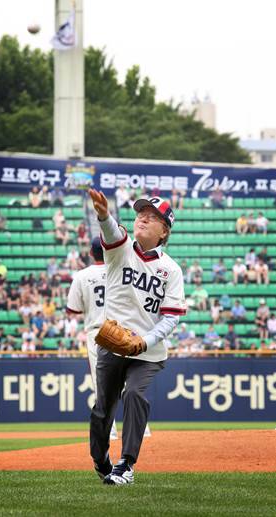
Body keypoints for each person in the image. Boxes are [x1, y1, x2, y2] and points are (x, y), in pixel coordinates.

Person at [88, 189, 186, 485]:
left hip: (149, 352)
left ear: (164, 230)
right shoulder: (120, 250)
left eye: (153, 215)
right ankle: (100, 458)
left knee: (134, 395)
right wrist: (104, 215)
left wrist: (146, 341)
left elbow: (170, 317)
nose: (144, 216)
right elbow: (111, 230)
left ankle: (126, 464)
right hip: (112, 346)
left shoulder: (171, 270)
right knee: (103, 409)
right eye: (141, 212)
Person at [66, 237, 121, 440]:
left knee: (102, 383)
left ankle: (111, 430)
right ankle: (142, 427)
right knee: (128, 381)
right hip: (120, 330)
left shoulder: (82, 275)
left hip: (97, 331)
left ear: (91, 253)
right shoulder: (119, 270)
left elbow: (73, 309)